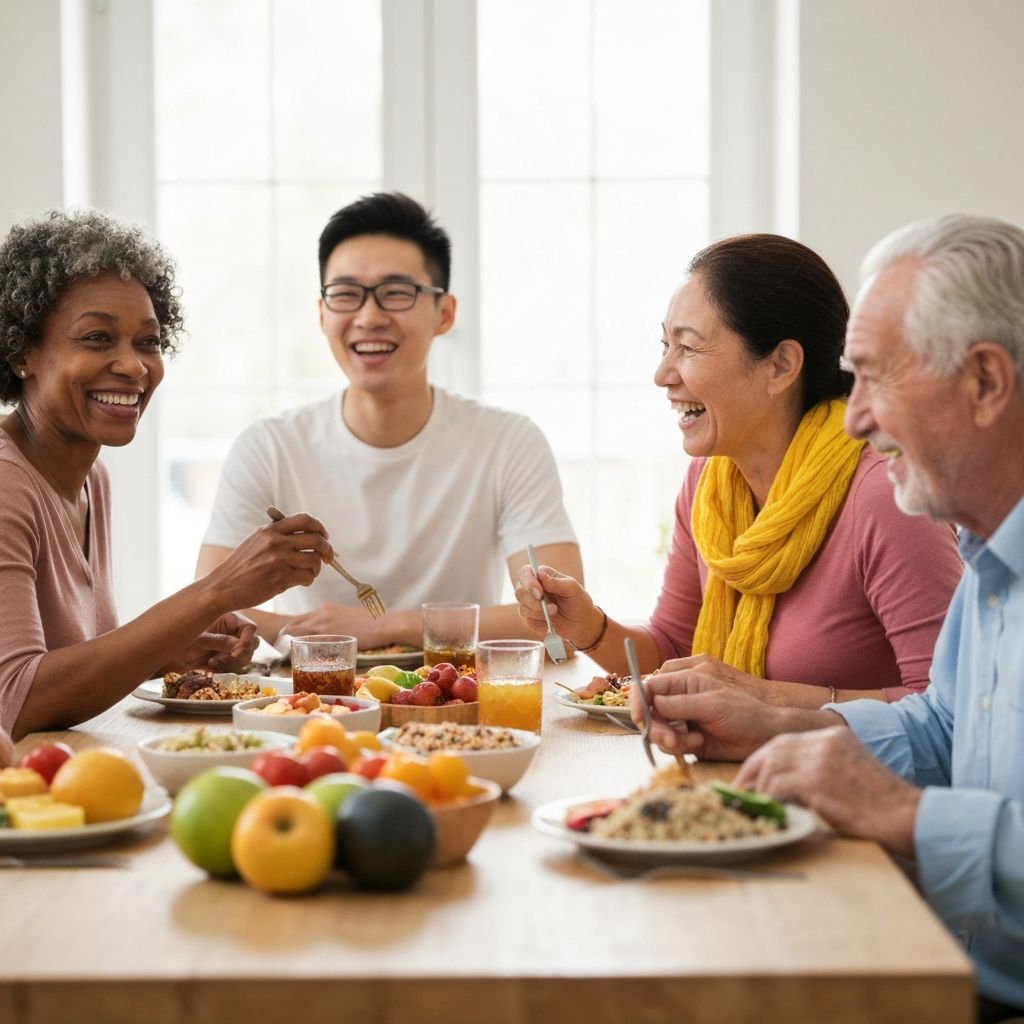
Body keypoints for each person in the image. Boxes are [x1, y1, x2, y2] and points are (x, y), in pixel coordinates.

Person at [639, 214, 1024, 1022]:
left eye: (876, 379)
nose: (851, 418)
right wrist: (780, 728)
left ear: (986, 382)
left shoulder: (899, 510)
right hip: (944, 960)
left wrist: (906, 813)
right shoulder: (990, 560)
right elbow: (946, 729)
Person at [516, 234, 961, 706]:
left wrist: (761, 699)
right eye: (664, 345)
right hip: (738, 771)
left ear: (780, 365)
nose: (662, 373)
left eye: (687, 347)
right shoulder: (709, 485)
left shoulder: (885, 497)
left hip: (847, 778)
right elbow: (673, 649)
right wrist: (589, 627)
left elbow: (949, 709)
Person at [0, 210, 333, 741]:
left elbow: (72, 663)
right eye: (96, 339)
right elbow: (14, 700)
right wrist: (215, 591)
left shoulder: (91, 477)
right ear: (22, 353)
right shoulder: (7, 484)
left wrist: (169, 652)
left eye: (148, 342)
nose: (133, 366)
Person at [196, 192, 581, 648]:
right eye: (346, 295)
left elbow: (561, 615)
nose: (369, 316)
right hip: (314, 700)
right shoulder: (269, 446)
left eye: (396, 293)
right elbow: (209, 603)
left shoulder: (508, 441)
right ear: (321, 314)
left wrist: (390, 626)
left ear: (445, 313)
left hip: (458, 702)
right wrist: (308, 635)